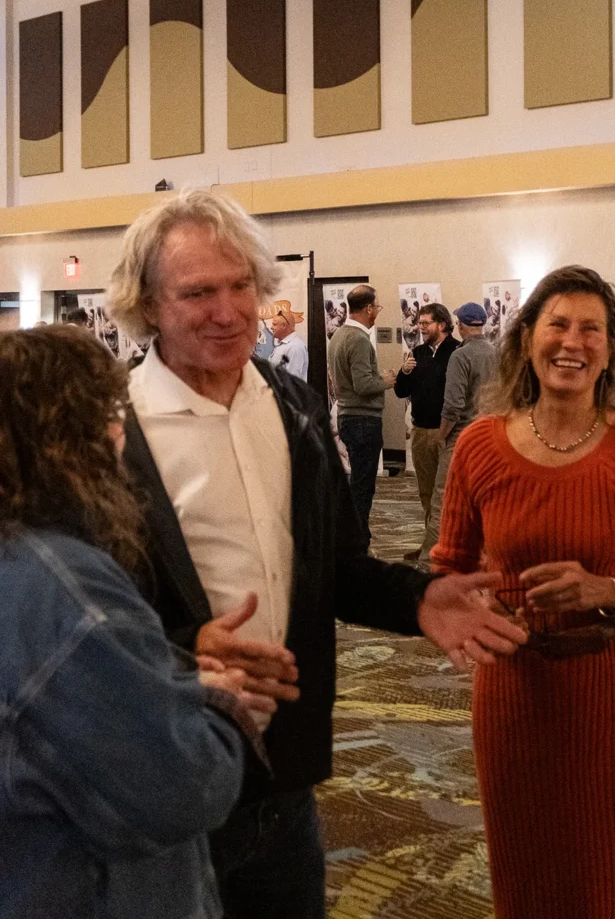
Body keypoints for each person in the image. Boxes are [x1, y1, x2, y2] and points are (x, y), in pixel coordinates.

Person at [106, 189, 527, 919]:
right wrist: (181, 653)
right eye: (199, 291)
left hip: (287, 780)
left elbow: (333, 567)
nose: (229, 310)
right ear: (147, 304)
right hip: (165, 784)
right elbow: (67, 625)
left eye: (241, 286)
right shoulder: (109, 433)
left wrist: (417, 598)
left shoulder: (292, 406)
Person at [432, 267, 615, 919]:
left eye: (590, 329)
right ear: (527, 339)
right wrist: (474, 608)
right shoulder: (479, 447)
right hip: (515, 696)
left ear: (611, 348)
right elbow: (448, 569)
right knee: (530, 879)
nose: (571, 342)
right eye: (557, 325)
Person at [0, 325, 266, 919]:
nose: (122, 435)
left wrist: (171, 660)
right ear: (69, 436)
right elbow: (178, 789)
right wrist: (217, 702)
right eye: (110, 414)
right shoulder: (64, 587)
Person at [419, 301, 497, 569]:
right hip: (491, 437)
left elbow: (453, 405)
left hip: (463, 437)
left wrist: (442, 435)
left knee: (443, 499)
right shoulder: (496, 354)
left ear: (462, 325)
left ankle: (428, 562)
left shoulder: (460, 356)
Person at [327, 284, 397, 548]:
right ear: (368, 308)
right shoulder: (358, 339)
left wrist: (375, 379)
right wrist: (386, 381)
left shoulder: (338, 335)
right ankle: (357, 538)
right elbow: (363, 385)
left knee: (357, 480)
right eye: (376, 307)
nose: (376, 312)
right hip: (362, 420)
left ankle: (354, 534)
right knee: (362, 484)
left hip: (348, 415)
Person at [394, 302, 460, 557]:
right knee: (426, 492)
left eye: (425, 323)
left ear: (442, 324)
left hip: (448, 433)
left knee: (445, 496)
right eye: (419, 323)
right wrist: (404, 372)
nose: (420, 327)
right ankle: (430, 545)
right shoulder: (417, 352)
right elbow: (401, 391)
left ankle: (445, 548)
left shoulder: (457, 351)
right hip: (421, 431)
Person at [268, 309, 309, 380]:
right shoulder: (282, 344)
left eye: (274, 324)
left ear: (283, 326)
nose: (271, 327)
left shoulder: (295, 347)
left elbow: (292, 382)